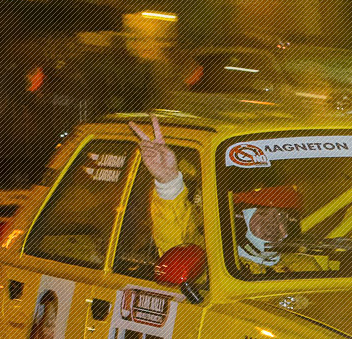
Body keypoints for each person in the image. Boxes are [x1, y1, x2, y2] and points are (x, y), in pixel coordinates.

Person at [128, 115, 319, 274]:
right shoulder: (210, 266)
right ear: (239, 220)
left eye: (282, 216)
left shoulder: (305, 268)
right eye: (263, 216)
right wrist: (168, 182)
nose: (276, 227)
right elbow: (175, 243)